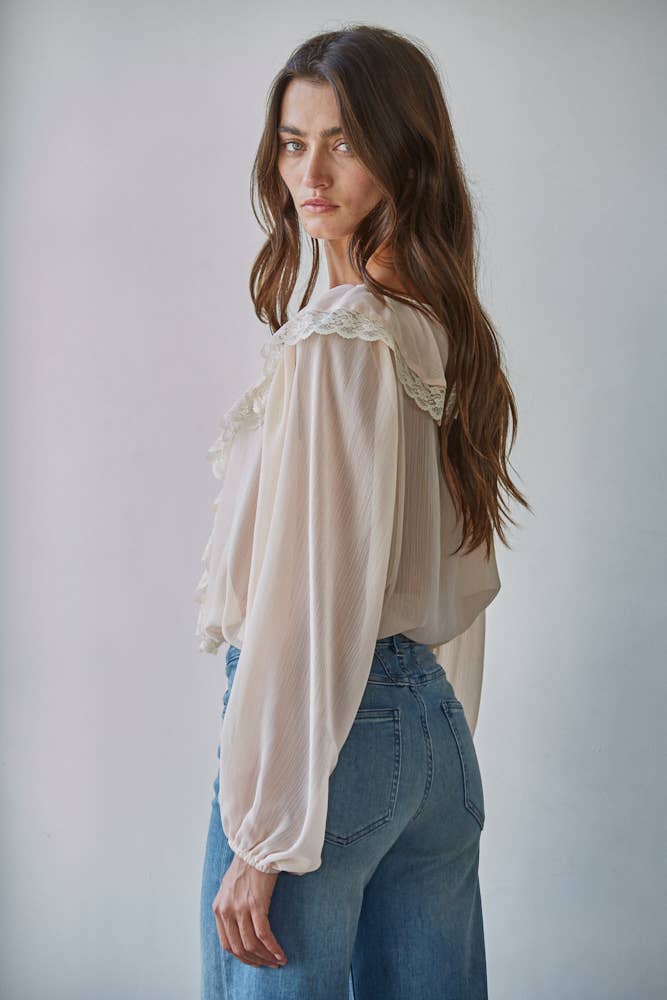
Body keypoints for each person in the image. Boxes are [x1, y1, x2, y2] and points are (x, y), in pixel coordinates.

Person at [196, 23, 531, 1000]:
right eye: (294, 141)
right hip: (429, 737)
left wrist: (264, 833)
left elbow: (314, 595)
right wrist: (430, 733)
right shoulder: (444, 334)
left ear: (402, 146)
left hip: (321, 741)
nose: (311, 169)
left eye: (343, 139)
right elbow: (459, 583)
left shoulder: (340, 338)